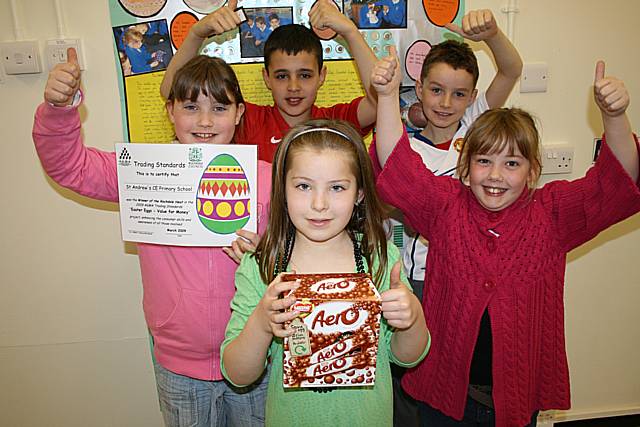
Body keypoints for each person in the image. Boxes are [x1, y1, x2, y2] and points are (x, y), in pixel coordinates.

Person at [371, 46, 640, 426]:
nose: (496, 175)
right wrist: (385, 97)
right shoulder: (446, 206)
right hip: (445, 396)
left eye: (511, 163)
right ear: (465, 169)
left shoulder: (552, 214)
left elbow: (618, 183)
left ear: (532, 172)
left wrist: (614, 116)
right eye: (484, 161)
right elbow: (396, 165)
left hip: (514, 401)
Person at [32, 50, 272, 427]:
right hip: (180, 366)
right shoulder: (146, 173)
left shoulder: (268, 178)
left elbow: (304, 249)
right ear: (170, 110)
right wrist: (59, 109)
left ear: (240, 114)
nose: (206, 121)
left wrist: (269, 256)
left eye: (220, 108)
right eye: (191, 107)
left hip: (255, 357)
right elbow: (70, 166)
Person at [219, 118, 430, 425]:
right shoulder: (262, 266)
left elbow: (408, 356)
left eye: (337, 188)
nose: (319, 204)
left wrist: (411, 318)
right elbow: (237, 374)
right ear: (283, 191)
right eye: (304, 186)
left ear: (358, 193)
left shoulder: (379, 258)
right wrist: (262, 325)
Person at [399, 8, 523, 307]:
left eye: (458, 94)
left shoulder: (474, 123)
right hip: (422, 276)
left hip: (474, 269)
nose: (445, 103)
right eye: (436, 90)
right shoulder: (407, 151)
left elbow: (511, 70)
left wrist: (492, 36)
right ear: (419, 89)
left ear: (472, 97)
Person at [159, 0, 379, 163]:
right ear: (267, 78)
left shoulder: (335, 122)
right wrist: (196, 34)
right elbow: (172, 90)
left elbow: (380, 102)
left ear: (321, 76)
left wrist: (351, 32)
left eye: (305, 75)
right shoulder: (250, 120)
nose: (293, 87)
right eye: (282, 76)